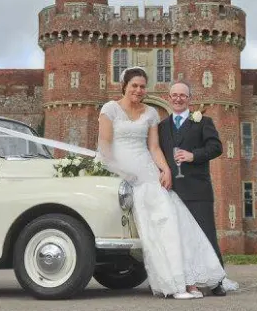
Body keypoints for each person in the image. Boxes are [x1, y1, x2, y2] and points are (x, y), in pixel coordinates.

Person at [95, 67, 225, 299]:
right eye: (134, 85)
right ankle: (173, 284)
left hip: (146, 170)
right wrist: (121, 171)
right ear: (124, 85)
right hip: (120, 170)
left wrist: (165, 170)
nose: (138, 90)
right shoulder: (110, 109)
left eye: (143, 86)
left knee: (170, 219)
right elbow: (104, 146)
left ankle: (187, 280)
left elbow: (153, 147)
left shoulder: (151, 113)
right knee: (153, 226)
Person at [158, 79, 228, 296]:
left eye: (183, 95)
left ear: (189, 99)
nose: (178, 99)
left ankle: (217, 281)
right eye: (174, 95)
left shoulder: (202, 121)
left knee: (206, 235)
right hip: (171, 190)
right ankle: (184, 280)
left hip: (198, 189)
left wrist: (193, 155)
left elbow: (216, 147)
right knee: (179, 239)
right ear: (169, 98)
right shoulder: (161, 127)